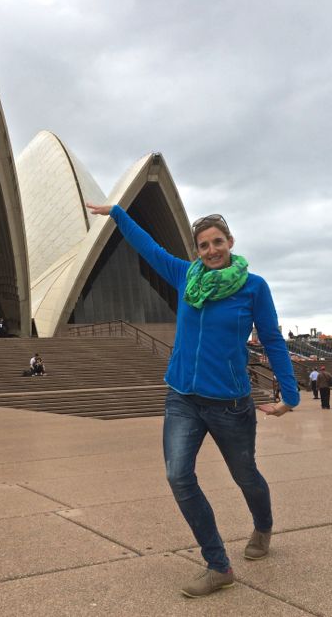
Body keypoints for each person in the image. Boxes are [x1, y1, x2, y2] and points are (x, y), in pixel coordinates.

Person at [86, 203, 300, 598]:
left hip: (230, 403)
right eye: (203, 245)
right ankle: (218, 564)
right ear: (197, 250)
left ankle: (263, 525)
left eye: (218, 241)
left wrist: (290, 394)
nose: (211, 249)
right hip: (182, 397)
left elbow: (272, 339)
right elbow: (148, 249)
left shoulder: (254, 287)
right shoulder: (187, 277)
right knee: (178, 476)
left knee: (245, 475)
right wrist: (118, 213)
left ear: (230, 242)